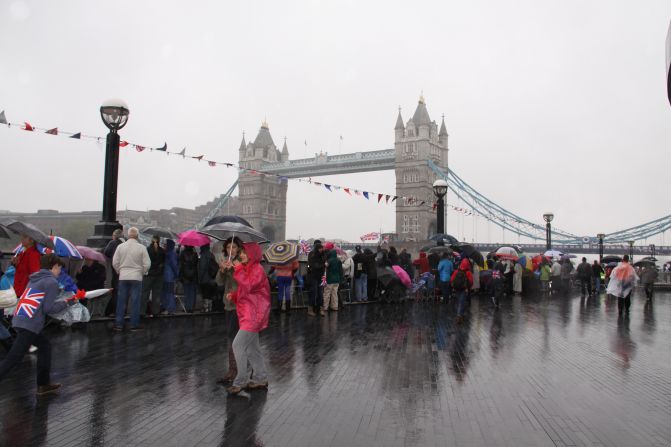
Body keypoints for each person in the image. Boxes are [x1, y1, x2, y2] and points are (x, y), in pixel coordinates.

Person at [0, 254, 78, 395]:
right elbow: (49, 309)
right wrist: (68, 302)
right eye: (59, 267)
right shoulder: (51, 282)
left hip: (20, 319)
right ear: (54, 266)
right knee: (13, 358)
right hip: (30, 323)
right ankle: (42, 385)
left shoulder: (35, 278)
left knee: (44, 346)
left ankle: (43, 385)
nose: (60, 271)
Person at [225, 243, 271, 395]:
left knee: (237, 345)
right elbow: (246, 292)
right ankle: (260, 378)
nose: (242, 255)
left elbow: (250, 285)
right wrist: (234, 296)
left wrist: (237, 269)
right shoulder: (248, 269)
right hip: (248, 314)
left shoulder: (257, 269)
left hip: (254, 315)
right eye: (242, 252)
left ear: (253, 254)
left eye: (245, 253)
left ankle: (241, 380)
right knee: (252, 349)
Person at [112, 227, 151, 332]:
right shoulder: (141, 247)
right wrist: (142, 272)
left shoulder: (120, 247)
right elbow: (147, 264)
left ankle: (119, 324)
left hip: (123, 276)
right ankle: (134, 324)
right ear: (137, 236)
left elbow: (115, 262)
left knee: (121, 301)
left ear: (128, 235)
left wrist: (119, 271)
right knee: (135, 301)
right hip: (136, 276)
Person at [217, 237, 242, 384]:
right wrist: (222, 271)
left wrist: (235, 268)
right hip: (228, 304)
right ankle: (234, 369)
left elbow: (245, 282)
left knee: (235, 338)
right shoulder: (226, 262)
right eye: (227, 248)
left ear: (238, 248)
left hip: (239, 304)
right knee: (231, 337)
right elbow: (219, 283)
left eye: (233, 247)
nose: (230, 250)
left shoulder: (242, 262)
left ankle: (236, 370)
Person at [141, 235, 165, 317]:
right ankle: (155, 311)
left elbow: (144, 262)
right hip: (158, 275)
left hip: (148, 275)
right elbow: (163, 263)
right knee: (157, 294)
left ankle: (142, 311)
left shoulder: (147, 249)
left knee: (144, 293)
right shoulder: (162, 251)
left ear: (151, 240)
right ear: (159, 240)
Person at [103, 228, 124, 317]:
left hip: (116, 271)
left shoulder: (113, 243)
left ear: (114, 236)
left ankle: (112, 311)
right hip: (125, 271)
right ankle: (121, 311)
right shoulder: (124, 243)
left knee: (115, 291)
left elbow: (106, 252)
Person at [13, 234, 41, 299]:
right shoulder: (22, 253)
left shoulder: (34, 254)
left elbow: (35, 274)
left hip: (25, 290)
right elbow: (21, 270)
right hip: (18, 288)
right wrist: (15, 264)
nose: (21, 239)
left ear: (32, 240)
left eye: (25, 237)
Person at [306, 240, 326, 316]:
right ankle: (310, 309)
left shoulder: (323, 254)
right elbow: (314, 266)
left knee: (320, 293)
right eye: (320, 248)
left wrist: (323, 264)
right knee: (313, 292)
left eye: (322, 248)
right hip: (313, 277)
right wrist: (323, 265)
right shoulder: (312, 254)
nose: (321, 249)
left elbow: (323, 262)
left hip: (321, 276)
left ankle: (320, 309)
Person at [198, 244, 219, 313]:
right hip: (212, 278)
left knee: (205, 294)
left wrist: (200, 277)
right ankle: (210, 307)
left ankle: (206, 308)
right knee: (210, 293)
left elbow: (202, 268)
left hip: (205, 278)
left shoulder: (204, 255)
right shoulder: (211, 254)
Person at [178, 246, 199, 312]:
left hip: (185, 276)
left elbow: (180, 266)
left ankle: (187, 307)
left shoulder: (182, 253)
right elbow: (196, 265)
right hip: (193, 276)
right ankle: (191, 308)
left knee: (186, 292)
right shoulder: (195, 254)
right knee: (192, 292)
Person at [161, 240, 179, 315]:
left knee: (167, 293)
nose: (164, 246)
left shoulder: (167, 254)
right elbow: (175, 265)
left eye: (165, 244)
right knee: (169, 292)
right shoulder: (172, 254)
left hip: (166, 276)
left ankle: (169, 308)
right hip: (170, 276)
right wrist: (177, 274)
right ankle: (169, 308)